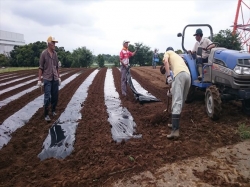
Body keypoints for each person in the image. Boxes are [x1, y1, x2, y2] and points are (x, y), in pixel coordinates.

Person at [162, 47, 191, 139]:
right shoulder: (178, 56)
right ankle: (174, 123)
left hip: (179, 75)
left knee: (176, 101)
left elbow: (166, 62)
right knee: (181, 100)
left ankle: (175, 131)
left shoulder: (167, 53)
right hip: (188, 76)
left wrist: (169, 76)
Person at [37, 36, 61, 122]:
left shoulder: (55, 54)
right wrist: (39, 79)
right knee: (47, 97)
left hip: (54, 78)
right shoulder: (44, 54)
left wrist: (59, 77)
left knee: (55, 96)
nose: (54, 44)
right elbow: (41, 67)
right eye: (53, 43)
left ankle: (53, 110)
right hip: (47, 78)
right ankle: (46, 114)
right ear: (49, 43)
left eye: (55, 43)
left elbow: (57, 66)